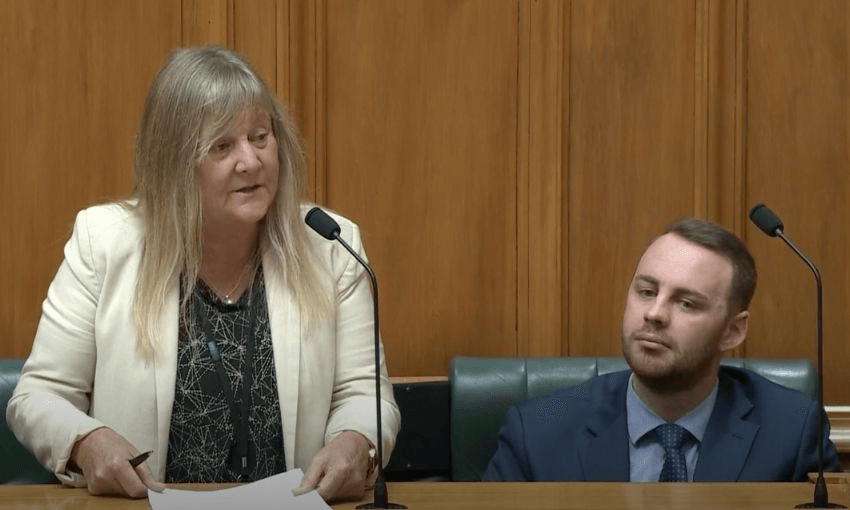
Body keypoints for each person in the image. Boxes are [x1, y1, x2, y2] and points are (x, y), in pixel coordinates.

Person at [5, 45, 399, 502]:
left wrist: (357, 442)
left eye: (260, 137)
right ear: (173, 161)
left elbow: (364, 394)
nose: (250, 161)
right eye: (222, 146)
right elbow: (39, 396)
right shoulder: (104, 244)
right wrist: (86, 442)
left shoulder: (328, 245)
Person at [483, 218, 840, 482]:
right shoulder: (538, 431)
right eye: (646, 292)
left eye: (686, 303)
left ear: (732, 332)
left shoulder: (791, 431)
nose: (654, 314)